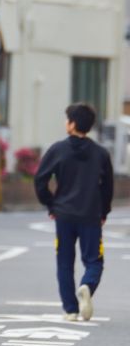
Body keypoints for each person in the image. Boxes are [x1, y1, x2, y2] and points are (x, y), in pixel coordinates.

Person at [34, 103, 113, 322]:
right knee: (94, 260)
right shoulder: (101, 154)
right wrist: (104, 211)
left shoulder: (58, 150)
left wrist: (51, 204)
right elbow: (107, 187)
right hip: (91, 215)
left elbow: (40, 179)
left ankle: (70, 309)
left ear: (72, 123)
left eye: (67, 119)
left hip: (64, 215)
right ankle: (86, 285)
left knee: (65, 262)